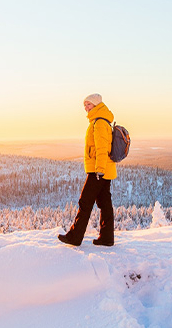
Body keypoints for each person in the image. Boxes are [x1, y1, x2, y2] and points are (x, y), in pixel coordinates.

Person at [58, 93, 117, 247]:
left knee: (85, 202)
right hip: (104, 170)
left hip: (99, 171)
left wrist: (99, 170)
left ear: (97, 105)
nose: (86, 108)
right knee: (104, 203)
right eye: (85, 105)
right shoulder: (101, 121)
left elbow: (102, 148)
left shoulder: (99, 123)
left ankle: (75, 237)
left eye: (89, 104)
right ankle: (107, 238)